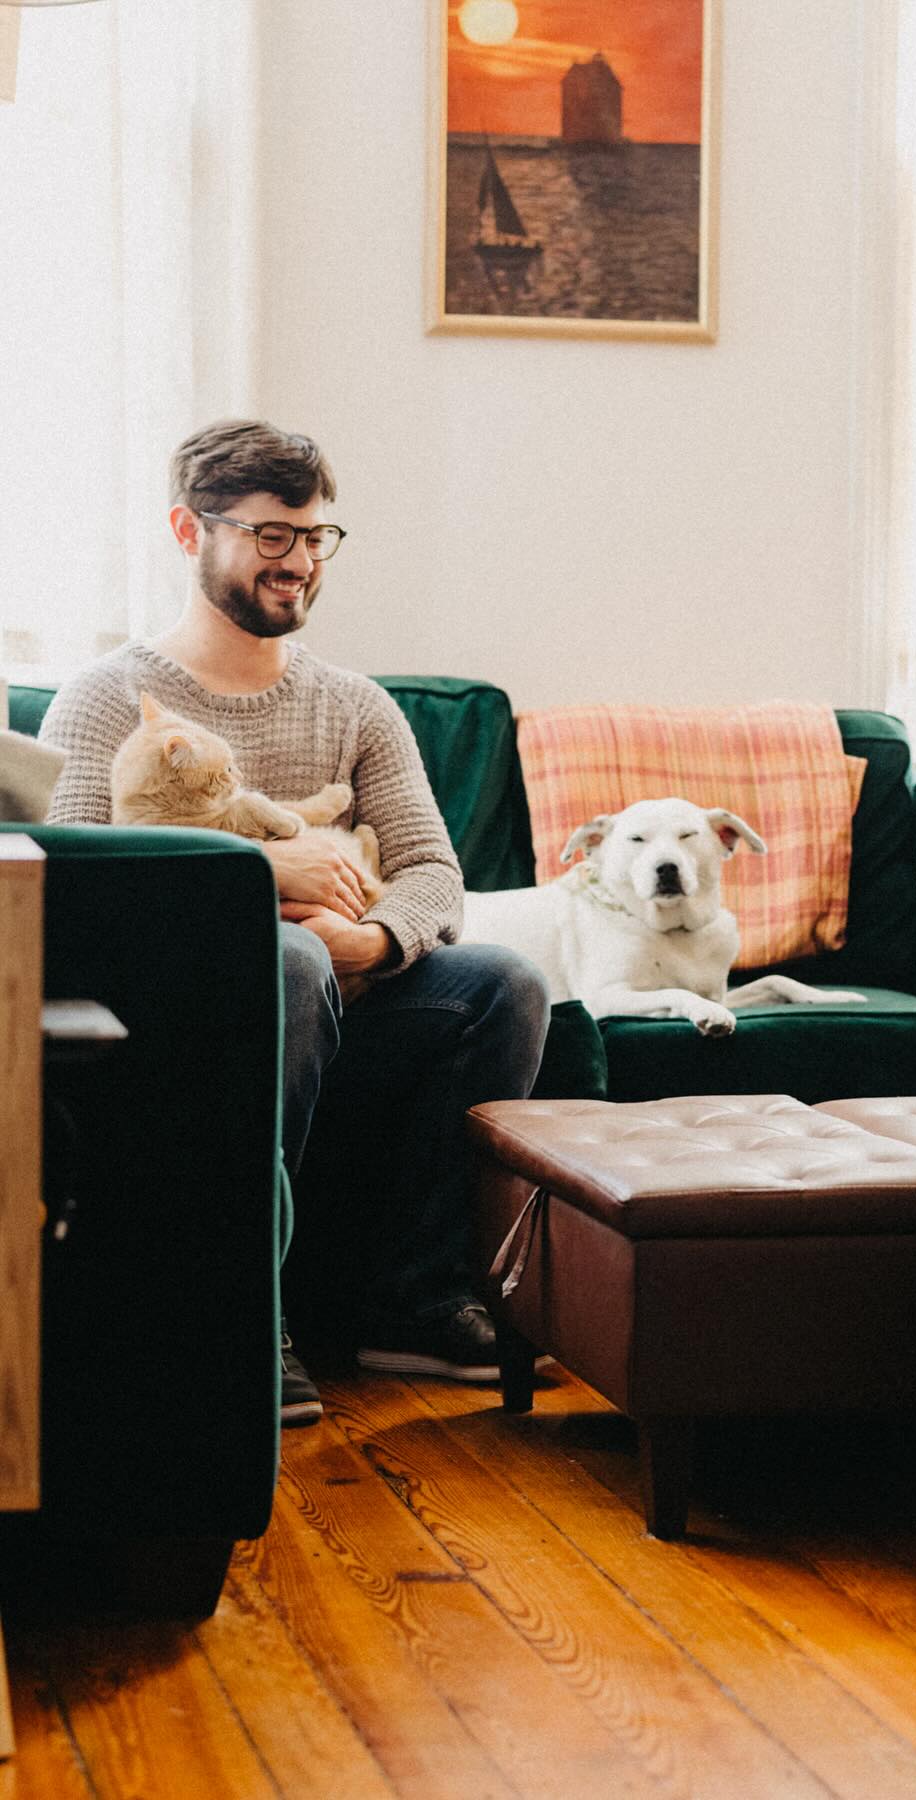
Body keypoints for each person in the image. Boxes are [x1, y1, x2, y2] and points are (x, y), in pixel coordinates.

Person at [41, 419, 550, 1426]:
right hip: (190, 1029)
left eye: (318, 537)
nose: (303, 562)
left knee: (506, 984)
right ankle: (244, 1309)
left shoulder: (355, 706)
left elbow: (434, 877)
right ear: (191, 532)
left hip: (353, 1004)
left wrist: (373, 941)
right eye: (274, 537)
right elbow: (76, 887)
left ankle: (416, 1301)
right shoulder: (108, 698)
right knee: (283, 960)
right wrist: (268, 871)